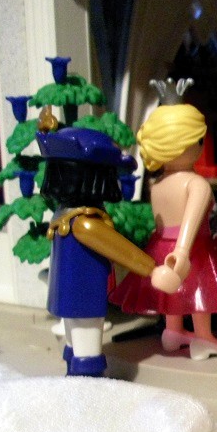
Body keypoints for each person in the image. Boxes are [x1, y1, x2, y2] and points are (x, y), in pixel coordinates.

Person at [110, 103, 217, 360]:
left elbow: (161, 223)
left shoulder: (157, 185)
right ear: (182, 144)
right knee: (199, 291)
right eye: (199, 140)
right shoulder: (196, 183)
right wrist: (182, 251)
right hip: (191, 246)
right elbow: (191, 220)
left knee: (173, 291)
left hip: (161, 244)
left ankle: (173, 331)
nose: (201, 146)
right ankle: (203, 337)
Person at [38, 126, 157, 376]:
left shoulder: (62, 214)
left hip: (66, 296)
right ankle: (88, 386)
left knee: (73, 344)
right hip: (86, 298)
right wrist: (153, 270)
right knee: (88, 351)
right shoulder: (86, 222)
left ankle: (74, 378)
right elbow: (122, 250)